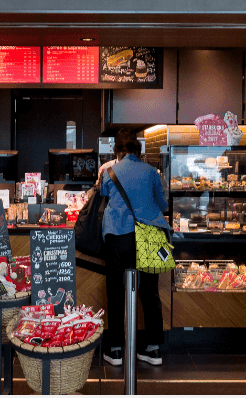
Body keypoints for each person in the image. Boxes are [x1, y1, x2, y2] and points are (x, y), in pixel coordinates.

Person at [99, 129, 169, 367]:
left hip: (118, 233)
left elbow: (102, 193)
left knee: (116, 292)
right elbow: (163, 203)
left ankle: (116, 350)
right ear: (139, 151)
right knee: (150, 293)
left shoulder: (110, 171)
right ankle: (153, 349)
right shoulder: (152, 172)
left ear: (117, 150)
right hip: (149, 233)